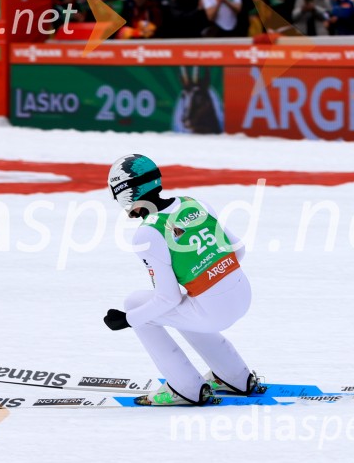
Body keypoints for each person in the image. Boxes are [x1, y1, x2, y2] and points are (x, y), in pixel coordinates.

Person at [104, 154, 257, 406]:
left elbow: (167, 298)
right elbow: (238, 251)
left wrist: (127, 320)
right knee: (185, 304)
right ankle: (236, 377)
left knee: (136, 305)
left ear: (124, 193)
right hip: (243, 295)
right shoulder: (195, 203)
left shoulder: (148, 233)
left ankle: (185, 387)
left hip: (214, 313)